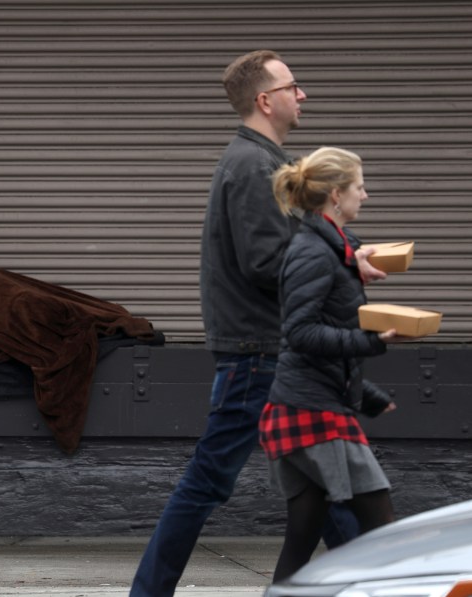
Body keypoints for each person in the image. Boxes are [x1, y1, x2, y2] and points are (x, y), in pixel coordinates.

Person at [129, 50, 385, 597]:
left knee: (331, 483)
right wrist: (343, 263)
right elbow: (266, 261)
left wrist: (349, 255)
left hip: (271, 350)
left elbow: (294, 246)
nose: (303, 94)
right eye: (293, 85)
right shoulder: (252, 167)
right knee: (211, 481)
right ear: (266, 100)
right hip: (258, 353)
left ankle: (378, 584)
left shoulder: (266, 162)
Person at [260, 146, 400, 582]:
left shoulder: (331, 249)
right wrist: (370, 341)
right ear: (336, 195)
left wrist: (367, 395)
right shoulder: (312, 253)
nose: (366, 195)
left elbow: (321, 330)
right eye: (360, 186)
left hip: (311, 404)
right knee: (386, 533)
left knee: (301, 540)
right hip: (312, 411)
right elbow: (300, 334)